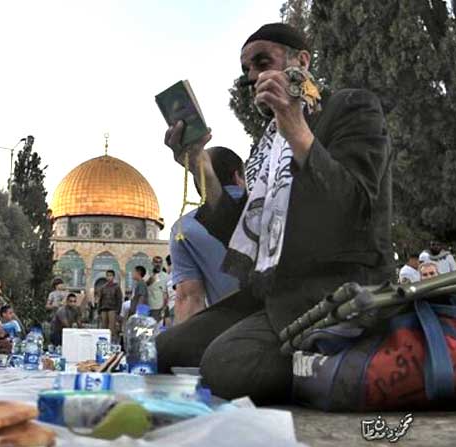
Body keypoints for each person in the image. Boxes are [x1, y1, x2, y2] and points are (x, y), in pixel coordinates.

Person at [156, 23, 393, 403]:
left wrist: (295, 125)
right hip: (273, 295)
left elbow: (354, 206)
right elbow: (243, 230)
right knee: (164, 351)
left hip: (338, 290)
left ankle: (352, 360)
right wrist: (196, 160)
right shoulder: (268, 147)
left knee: (226, 369)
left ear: (302, 61)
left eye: (262, 62)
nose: (252, 77)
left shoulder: (350, 108)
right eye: (246, 70)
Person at [170, 147, 247, 324]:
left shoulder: (185, 228)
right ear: (238, 176)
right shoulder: (272, 206)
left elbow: (190, 299)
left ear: (199, 185)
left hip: (230, 330)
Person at [96, 270, 123, 342]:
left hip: (113, 309)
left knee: (111, 327)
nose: (109, 277)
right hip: (103, 308)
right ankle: (104, 341)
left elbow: (119, 299)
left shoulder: (116, 287)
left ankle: (111, 341)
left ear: (113, 277)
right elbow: (100, 299)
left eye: (110, 275)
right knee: (104, 327)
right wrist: (98, 311)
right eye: (107, 275)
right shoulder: (103, 287)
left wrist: (118, 311)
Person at [146, 256, 168, 321]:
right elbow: (145, 285)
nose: (158, 264)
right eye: (156, 262)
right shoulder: (147, 274)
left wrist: (164, 308)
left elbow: (165, 293)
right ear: (152, 263)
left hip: (158, 308)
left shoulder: (165, 276)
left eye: (160, 262)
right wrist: (151, 278)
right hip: (147, 307)